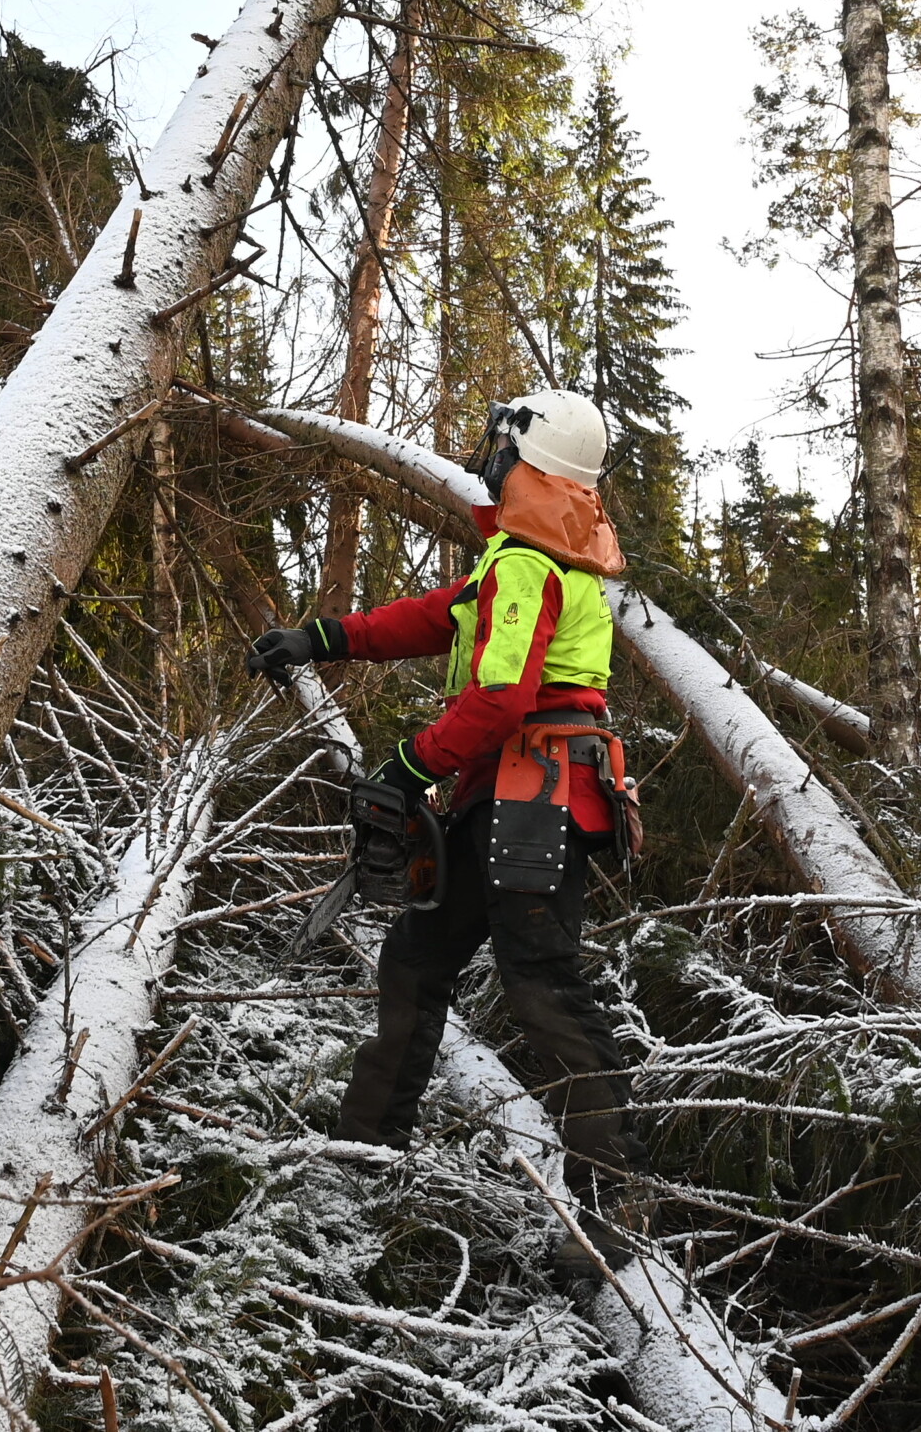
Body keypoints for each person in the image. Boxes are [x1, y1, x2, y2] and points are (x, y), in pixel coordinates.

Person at [246, 389, 640, 1277]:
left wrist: (410, 762)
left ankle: (610, 1208)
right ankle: (366, 1152)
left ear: (527, 462)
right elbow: (436, 614)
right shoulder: (520, 560)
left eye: (500, 446)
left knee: (544, 988)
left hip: (531, 793)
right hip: (500, 795)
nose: (486, 458)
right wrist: (323, 637)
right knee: (417, 961)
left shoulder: (533, 565)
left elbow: (501, 697)